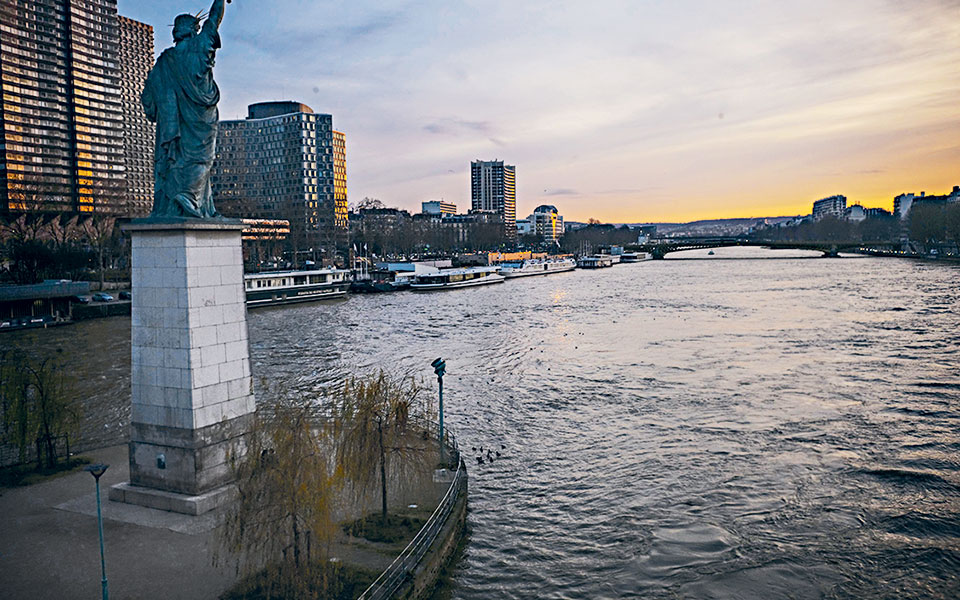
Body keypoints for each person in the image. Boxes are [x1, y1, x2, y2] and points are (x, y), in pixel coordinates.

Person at [142, 0, 227, 218]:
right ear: (192, 30)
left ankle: (199, 206)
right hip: (201, 118)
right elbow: (214, 19)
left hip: (173, 125)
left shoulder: (164, 61)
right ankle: (189, 196)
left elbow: (148, 100)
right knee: (202, 158)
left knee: (177, 162)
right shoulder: (199, 46)